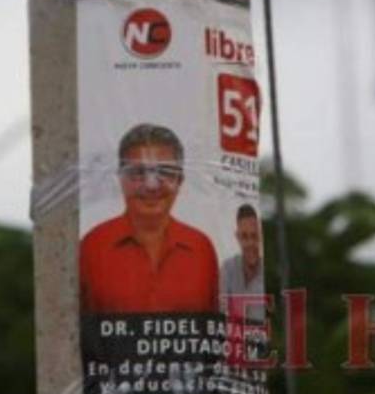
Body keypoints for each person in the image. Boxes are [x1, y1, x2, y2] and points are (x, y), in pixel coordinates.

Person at [80, 124, 219, 314]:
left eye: (165, 172)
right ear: (120, 178)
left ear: (180, 181)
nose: (151, 185)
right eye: (138, 173)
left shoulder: (202, 248)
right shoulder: (92, 246)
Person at [219, 203, 265, 323]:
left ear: (260, 236)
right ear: (237, 237)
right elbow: (220, 312)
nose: (250, 243)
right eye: (245, 237)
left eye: (254, 236)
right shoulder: (228, 268)